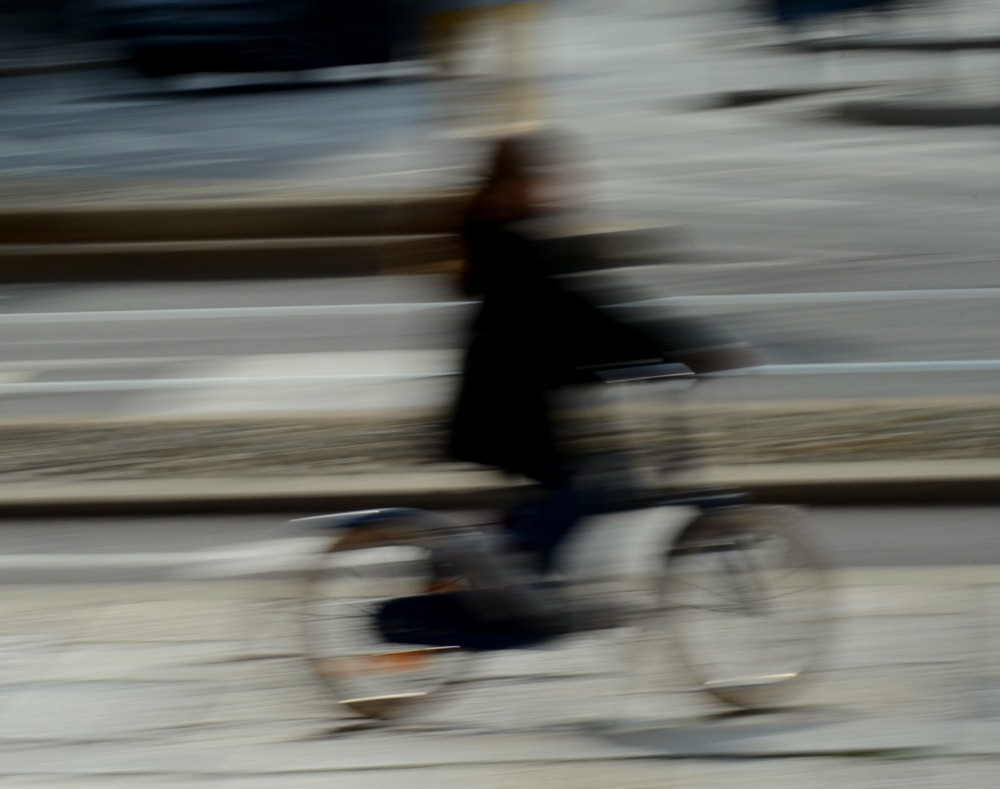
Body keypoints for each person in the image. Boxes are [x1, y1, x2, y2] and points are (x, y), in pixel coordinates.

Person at [449, 132, 755, 574]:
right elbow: (590, 316)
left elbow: (586, 321)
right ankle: (509, 572)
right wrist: (687, 350)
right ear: (519, 184)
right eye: (544, 177)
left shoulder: (512, 243)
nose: (557, 186)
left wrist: (660, 356)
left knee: (595, 481)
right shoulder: (516, 250)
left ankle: (519, 566)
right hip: (510, 413)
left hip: (518, 408)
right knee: (597, 485)